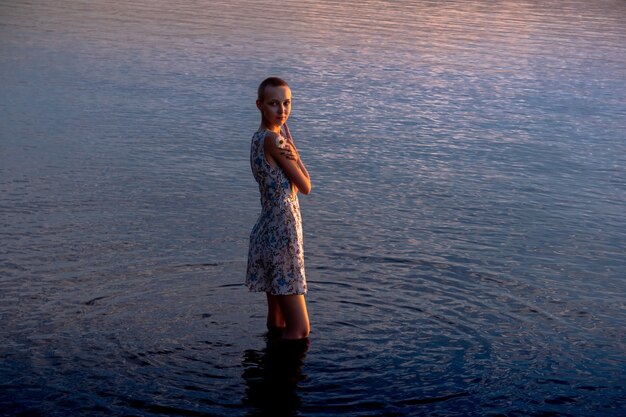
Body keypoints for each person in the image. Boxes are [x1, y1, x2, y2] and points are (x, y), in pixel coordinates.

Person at [246, 77, 311, 341]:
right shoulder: (276, 141)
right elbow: (305, 186)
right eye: (274, 104)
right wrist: (294, 149)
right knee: (300, 329)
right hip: (283, 233)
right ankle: (283, 380)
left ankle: (268, 372)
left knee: (277, 320)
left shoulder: (258, 138)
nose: (282, 110)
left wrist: (290, 147)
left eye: (286, 103)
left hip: (267, 229)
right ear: (260, 105)